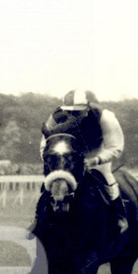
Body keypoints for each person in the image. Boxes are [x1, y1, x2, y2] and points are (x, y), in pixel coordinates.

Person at [40, 88, 128, 232]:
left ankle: (119, 216)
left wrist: (96, 160)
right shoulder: (56, 117)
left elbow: (115, 147)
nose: (73, 116)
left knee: (106, 177)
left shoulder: (104, 117)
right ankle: (39, 219)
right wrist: (51, 160)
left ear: (86, 108)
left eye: (77, 112)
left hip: (96, 152)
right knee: (51, 183)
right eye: (69, 112)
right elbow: (45, 143)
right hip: (69, 155)